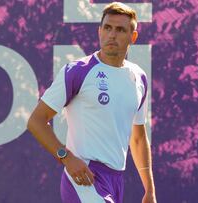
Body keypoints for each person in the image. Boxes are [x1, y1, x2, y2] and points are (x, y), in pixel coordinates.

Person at [27, 2, 156, 203]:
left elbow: (138, 138)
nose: (112, 35)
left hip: (116, 180)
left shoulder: (139, 78)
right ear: (99, 31)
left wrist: (149, 190)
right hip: (84, 176)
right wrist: (66, 157)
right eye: (107, 28)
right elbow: (36, 120)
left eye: (120, 30)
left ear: (133, 37)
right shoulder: (77, 71)